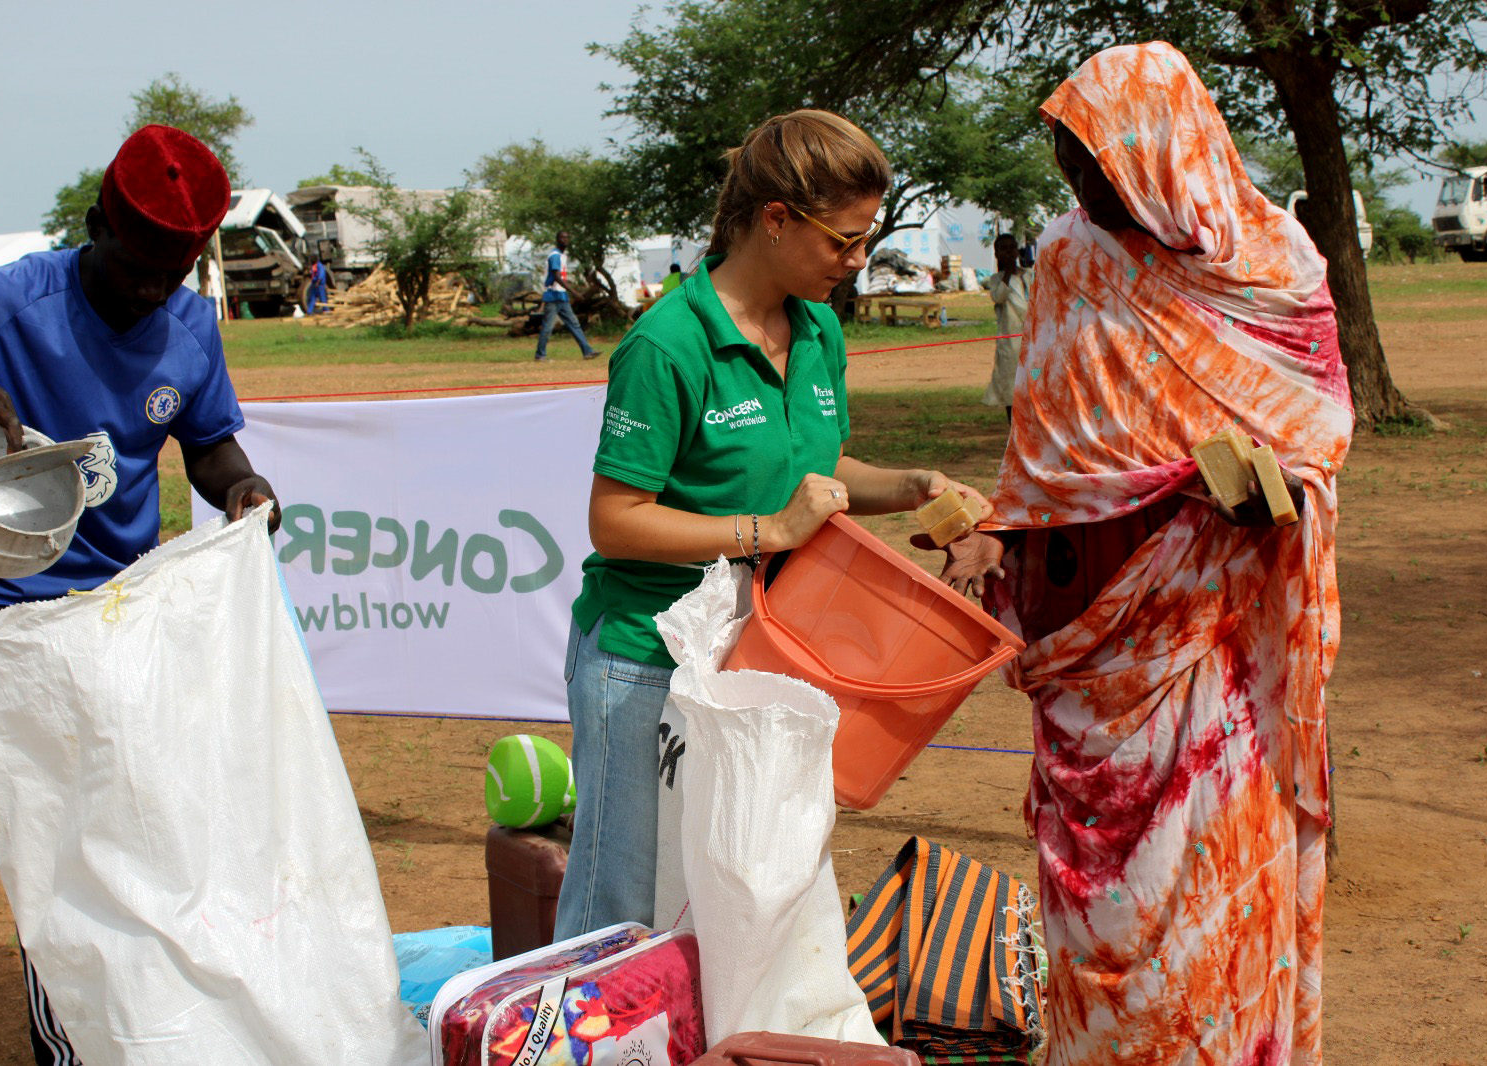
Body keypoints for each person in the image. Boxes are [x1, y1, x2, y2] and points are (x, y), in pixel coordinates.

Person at [937, 43, 1351, 1063]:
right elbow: (1041, 447)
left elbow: (1320, 424)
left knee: (1208, 878)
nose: (1077, 181)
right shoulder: (1068, 258)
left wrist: (1275, 492)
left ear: (1159, 149)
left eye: (1095, 158)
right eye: (1066, 158)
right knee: (1104, 912)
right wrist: (998, 535)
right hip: (1094, 622)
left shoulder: (1271, 265)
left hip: (1220, 627)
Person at [0, 124, 280, 1066]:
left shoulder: (190, 325)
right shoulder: (1, 300)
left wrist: (242, 489)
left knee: (145, 834)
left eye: (173, 270)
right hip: (26, 623)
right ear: (95, 219)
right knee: (58, 854)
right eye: (137, 263)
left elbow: (210, 444)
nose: (152, 289)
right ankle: (64, 1047)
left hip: (136, 619)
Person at [554, 109, 993, 939]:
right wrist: (769, 533)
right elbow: (616, 523)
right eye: (845, 240)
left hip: (758, 659)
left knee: (728, 895)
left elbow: (817, 478)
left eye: (867, 239)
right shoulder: (668, 345)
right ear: (777, 220)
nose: (858, 261)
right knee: (618, 909)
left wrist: (915, 484)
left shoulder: (818, 326)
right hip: (645, 661)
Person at [982, 233, 1031, 422]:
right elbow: (999, 297)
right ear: (997, 254)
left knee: (1033, 385)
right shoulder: (996, 279)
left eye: (1012, 247)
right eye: (1004, 248)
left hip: (1032, 339)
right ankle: (1014, 430)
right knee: (1012, 387)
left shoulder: (1030, 274)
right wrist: (1009, 272)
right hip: (1010, 342)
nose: (1009, 252)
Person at [534, 230, 603, 362]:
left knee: (574, 323)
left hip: (561, 295)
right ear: (557, 239)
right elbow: (557, 277)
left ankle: (587, 351)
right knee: (548, 327)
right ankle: (540, 354)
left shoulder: (562, 256)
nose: (565, 240)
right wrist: (575, 292)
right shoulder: (555, 256)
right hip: (553, 295)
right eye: (562, 237)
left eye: (567, 237)